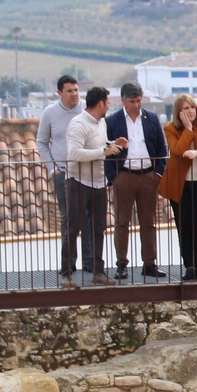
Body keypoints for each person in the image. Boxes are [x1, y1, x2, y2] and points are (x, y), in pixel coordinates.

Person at [105, 82, 168, 280]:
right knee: (122, 223)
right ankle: (122, 264)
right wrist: (113, 177)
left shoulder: (152, 118)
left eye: (139, 101)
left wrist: (158, 174)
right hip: (124, 175)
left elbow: (161, 147)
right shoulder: (112, 121)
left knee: (148, 223)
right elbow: (105, 149)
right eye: (132, 101)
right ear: (123, 101)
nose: (136, 105)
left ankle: (149, 263)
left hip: (148, 175)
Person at [158, 95, 197, 281]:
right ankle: (189, 265)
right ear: (179, 111)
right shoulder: (171, 128)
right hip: (180, 185)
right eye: (186, 108)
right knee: (184, 226)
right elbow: (177, 151)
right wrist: (187, 131)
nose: (191, 111)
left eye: (192, 107)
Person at [65, 86, 121, 286]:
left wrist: (114, 144)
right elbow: (75, 153)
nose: (108, 106)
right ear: (101, 103)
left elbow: (99, 146)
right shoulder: (78, 123)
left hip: (98, 183)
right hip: (79, 182)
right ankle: (66, 274)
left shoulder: (101, 123)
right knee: (74, 228)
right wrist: (103, 152)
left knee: (99, 229)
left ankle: (99, 272)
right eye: (107, 102)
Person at [36, 74, 83, 278]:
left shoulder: (86, 110)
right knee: (68, 219)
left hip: (87, 172)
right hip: (62, 173)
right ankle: (68, 265)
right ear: (59, 93)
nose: (74, 94)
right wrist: (52, 168)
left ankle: (90, 264)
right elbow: (41, 142)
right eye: (69, 91)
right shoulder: (50, 113)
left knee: (90, 220)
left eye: (76, 90)